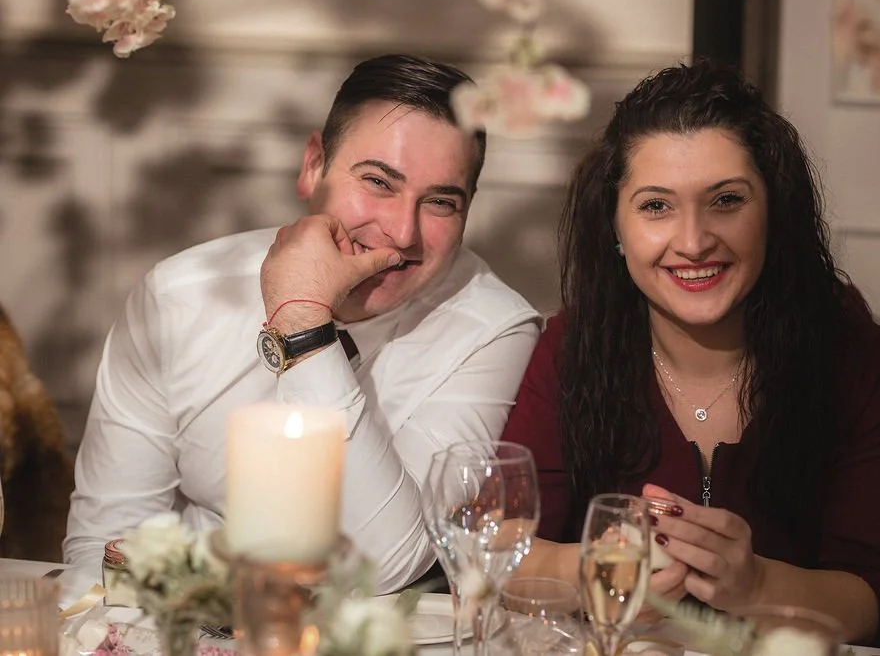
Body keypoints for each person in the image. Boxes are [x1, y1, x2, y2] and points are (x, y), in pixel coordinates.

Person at [64, 54, 542, 592]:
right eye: (379, 182)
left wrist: (303, 326)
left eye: (439, 202)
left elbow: (383, 564)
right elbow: (107, 539)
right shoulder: (179, 298)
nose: (402, 233)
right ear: (314, 164)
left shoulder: (493, 329)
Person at [501, 59, 880, 647]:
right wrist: (600, 570)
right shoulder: (571, 346)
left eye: (726, 200)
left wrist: (753, 585)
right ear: (616, 230)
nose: (695, 240)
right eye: (656, 206)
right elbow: (503, 549)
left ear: (773, 215)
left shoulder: (855, 359)